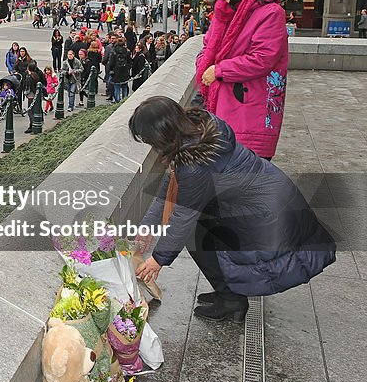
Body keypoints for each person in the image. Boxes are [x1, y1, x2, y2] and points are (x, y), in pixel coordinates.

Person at [131, 97, 335, 321]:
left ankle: (231, 300)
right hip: (268, 196)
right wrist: (147, 226)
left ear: (161, 136)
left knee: (197, 236)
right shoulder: (198, 131)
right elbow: (171, 186)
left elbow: (183, 215)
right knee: (200, 232)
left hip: (263, 214)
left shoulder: (194, 164)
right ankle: (226, 293)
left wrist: (158, 259)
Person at [196, 0, 289, 159]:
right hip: (223, 102)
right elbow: (206, 45)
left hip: (252, 105)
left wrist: (219, 70)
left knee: (247, 175)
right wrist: (203, 63)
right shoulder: (224, 12)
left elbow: (263, 58)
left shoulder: (270, 13)